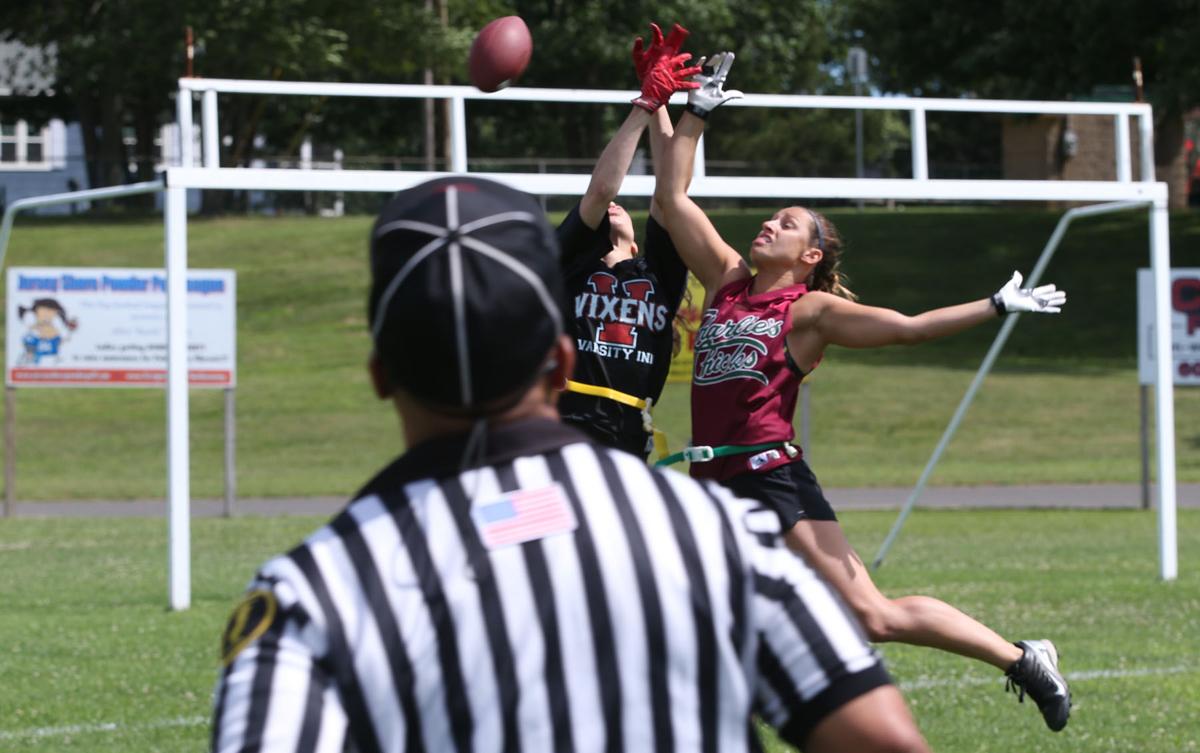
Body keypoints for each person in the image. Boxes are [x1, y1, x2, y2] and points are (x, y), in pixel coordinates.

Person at [209, 175, 932, 753]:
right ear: (559, 361)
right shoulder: (718, 535)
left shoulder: (314, 591)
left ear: (379, 373)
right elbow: (880, 737)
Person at [651, 54, 1073, 732]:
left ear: (810, 257)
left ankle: (1022, 658)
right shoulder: (729, 280)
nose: (769, 224)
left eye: (787, 223)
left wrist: (994, 304)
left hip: (767, 478)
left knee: (871, 616)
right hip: (710, 481)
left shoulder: (807, 313)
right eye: (772, 217)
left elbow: (907, 330)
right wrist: (686, 112)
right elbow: (670, 201)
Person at [556, 23, 696, 459]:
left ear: (637, 245)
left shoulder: (657, 276)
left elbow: (670, 194)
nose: (618, 209)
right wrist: (644, 103)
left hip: (629, 432)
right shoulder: (572, 263)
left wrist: (661, 102)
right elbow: (600, 192)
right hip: (564, 422)